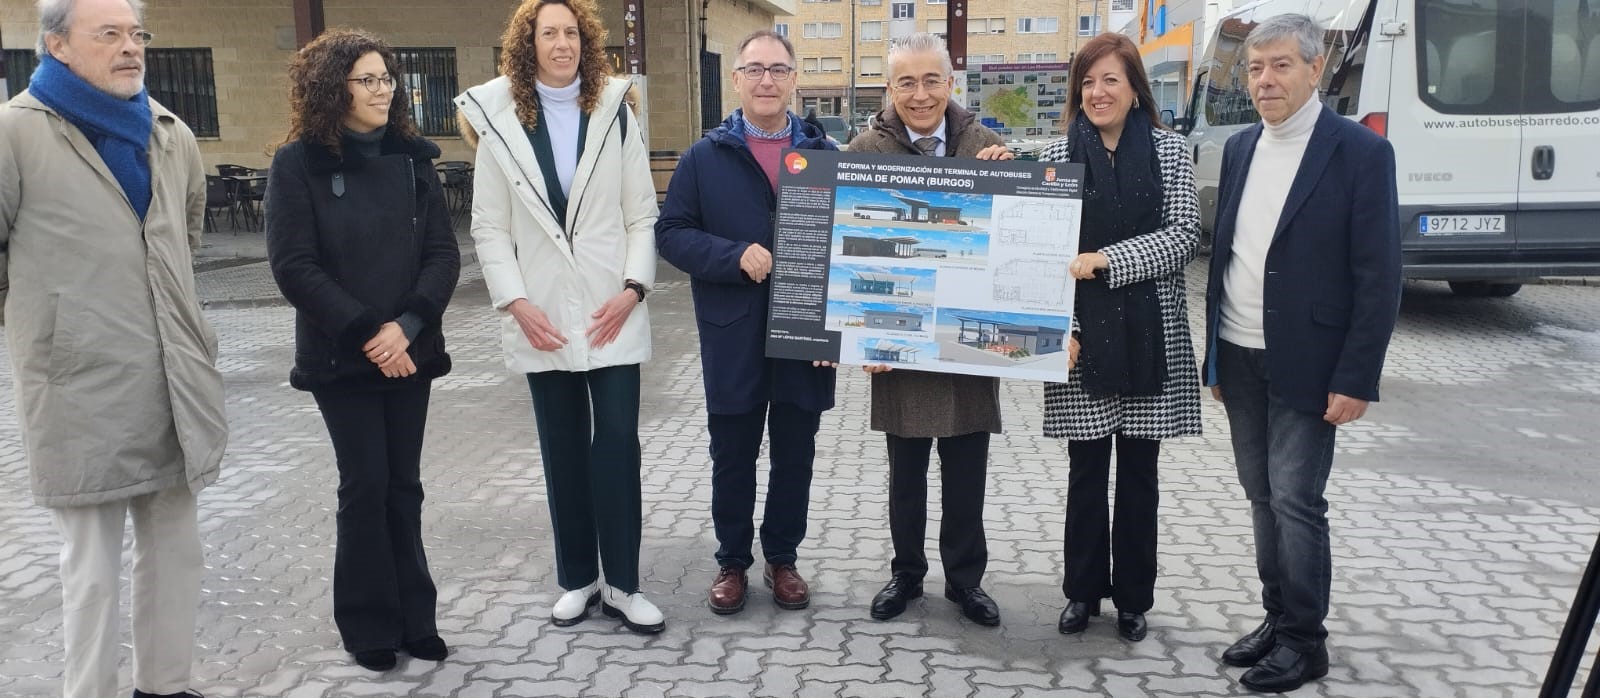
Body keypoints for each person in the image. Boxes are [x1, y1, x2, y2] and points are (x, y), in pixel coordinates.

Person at [0, 0, 228, 695]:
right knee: (91, 572)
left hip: (172, 380)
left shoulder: (169, 132)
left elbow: (181, 244)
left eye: (137, 35)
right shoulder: (14, 133)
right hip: (80, 387)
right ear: (58, 45)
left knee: (176, 553)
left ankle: (165, 684)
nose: (131, 48)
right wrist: (56, 325)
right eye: (110, 35)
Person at [1202, 14, 1401, 693]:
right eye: (1256, 68)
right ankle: (1276, 617)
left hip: (1311, 363)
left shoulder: (1360, 153)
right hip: (1239, 349)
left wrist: (1357, 377)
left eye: (1281, 65)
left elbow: (1379, 274)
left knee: (1295, 500)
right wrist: (1216, 360)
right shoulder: (1239, 149)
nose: (1265, 80)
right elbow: (1228, 253)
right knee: (1260, 495)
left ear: (1316, 70)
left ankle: (1305, 641)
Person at [455, 0, 663, 634]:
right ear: (529, 43)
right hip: (539, 311)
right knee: (561, 448)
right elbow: (488, 228)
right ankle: (578, 579)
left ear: (586, 41)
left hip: (612, 307)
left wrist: (634, 289)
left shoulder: (615, 114)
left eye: (571, 32)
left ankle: (624, 585)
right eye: (549, 33)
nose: (562, 43)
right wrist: (516, 303)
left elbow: (641, 216)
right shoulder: (499, 122)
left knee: (617, 444)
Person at [265, 29, 461, 671]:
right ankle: (368, 625)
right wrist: (368, 334)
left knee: (404, 486)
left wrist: (406, 326)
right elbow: (294, 266)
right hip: (341, 356)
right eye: (368, 80)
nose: (384, 90)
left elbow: (442, 254)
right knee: (366, 483)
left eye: (387, 79)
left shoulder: (414, 160)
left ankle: (415, 618)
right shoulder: (297, 163)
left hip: (410, 349)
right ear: (333, 89)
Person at [656, 29, 837, 616]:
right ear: (736, 80)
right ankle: (732, 561)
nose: (767, 80)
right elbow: (672, 234)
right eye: (755, 69)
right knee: (732, 453)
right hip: (732, 332)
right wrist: (732, 256)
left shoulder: (825, 155)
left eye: (778, 70)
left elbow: (855, 247)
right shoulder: (704, 157)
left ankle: (782, 558)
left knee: (796, 453)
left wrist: (845, 325)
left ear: (794, 79)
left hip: (805, 330)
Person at [1036, 32, 1202, 643]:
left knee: (1139, 475)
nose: (1098, 92)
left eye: (1110, 79)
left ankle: (1133, 597)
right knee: (1085, 475)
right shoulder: (1058, 154)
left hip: (1152, 337)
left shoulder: (1168, 149)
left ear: (1135, 88)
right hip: (1084, 338)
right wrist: (1064, 328)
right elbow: (1043, 250)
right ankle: (1082, 592)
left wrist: (1105, 258)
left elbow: (1184, 235)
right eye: (1087, 81)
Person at [846, 32, 1014, 628]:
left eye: (931, 80)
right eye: (906, 82)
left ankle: (966, 581)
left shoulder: (987, 147)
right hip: (901, 339)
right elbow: (854, 255)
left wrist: (1015, 178)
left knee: (968, 468)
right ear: (889, 88)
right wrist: (859, 332)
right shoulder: (865, 149)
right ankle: (907, 574)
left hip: (970, 341)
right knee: (907, 469)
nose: (920, 95)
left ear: (951, 82)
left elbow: (1019, 240)